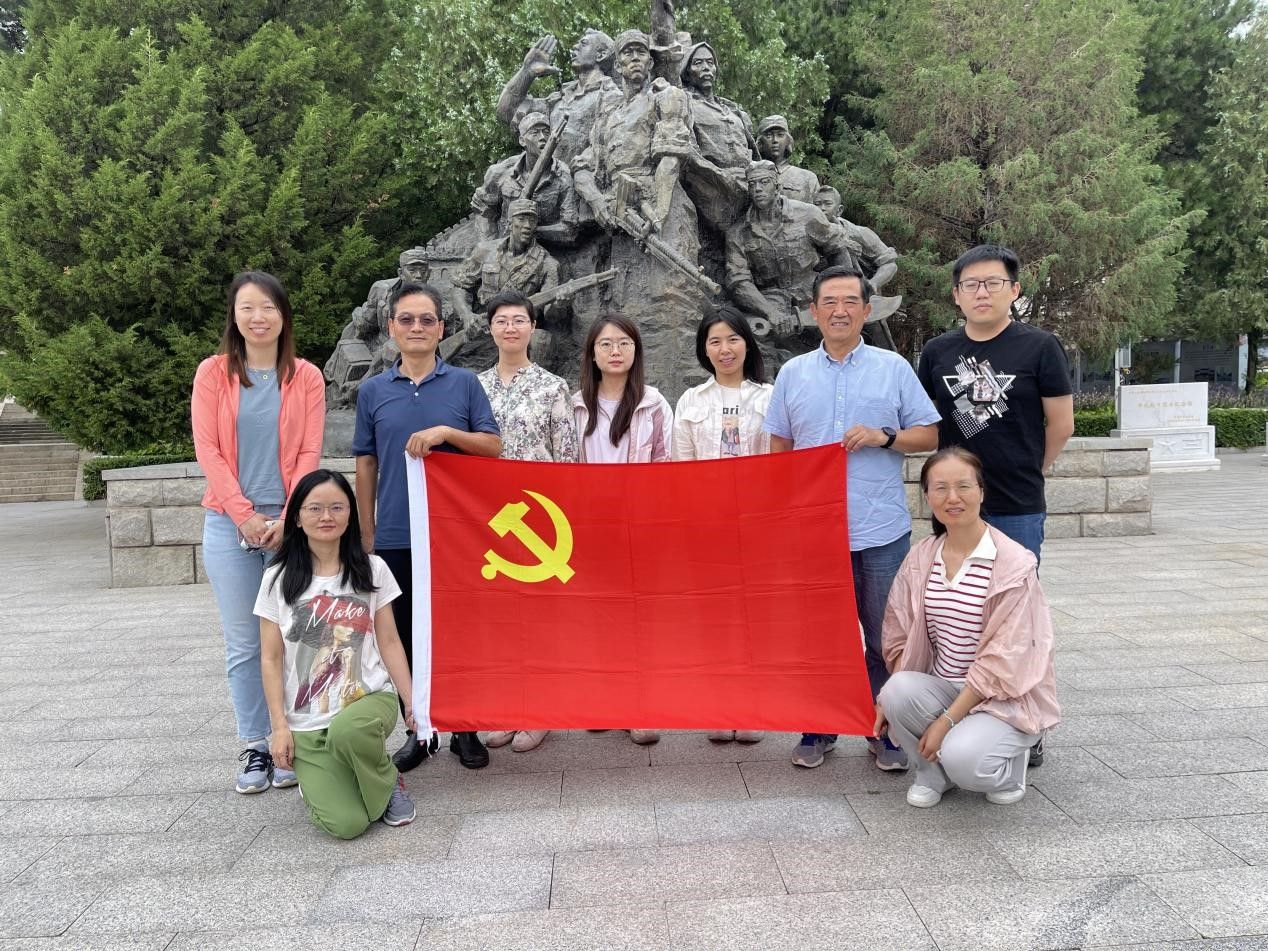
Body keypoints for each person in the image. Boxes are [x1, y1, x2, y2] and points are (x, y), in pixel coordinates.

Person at [765, 265, 940, 772]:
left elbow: (929, 435)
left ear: (866, 310)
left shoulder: (893, 368)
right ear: (814, 311)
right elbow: (780, 450)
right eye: (829, 302)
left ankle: (883, 729)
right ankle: (817, 727)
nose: (839, 311)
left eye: (850, 302)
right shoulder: (793, 373)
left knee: (885, 636)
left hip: (879, 528)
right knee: (820, 637)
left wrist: (885, 436)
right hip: (813, 533)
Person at [353, 282, 502, 771]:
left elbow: (492, 446)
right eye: (406, 319)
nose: (416, 328)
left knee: (460, 633)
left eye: (426, 320)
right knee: (403, 636)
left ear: (441, 328)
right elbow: (366, 464)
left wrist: (446, 434)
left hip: (455, 537)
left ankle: (465, 729)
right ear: (392, 328)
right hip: (396, 535)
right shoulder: (373, 391)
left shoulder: (464, 384)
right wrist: (367, 533)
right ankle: (419, 730)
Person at [192, 270, 326, 794]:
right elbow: (209, 450)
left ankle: (293, 740)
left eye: (268, 307)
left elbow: (309, 452)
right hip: (230, 527)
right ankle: (256, 745)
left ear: (283, 316)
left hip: (291, 527)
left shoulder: (306, 377)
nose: (258, 317)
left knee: (296, 638)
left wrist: (288, 517)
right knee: (245, 644)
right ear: (234, 315)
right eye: (247, 307)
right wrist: (243, 515)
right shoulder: (213, 373)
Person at [875, 447, 1060, 808]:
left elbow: (1005, 660)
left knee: (964, 761)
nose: (952, 498)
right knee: (895, 690)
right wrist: (890, 702)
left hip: (1001, 696)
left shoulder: (1013, 565)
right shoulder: (921, 556)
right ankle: (932, 775)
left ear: (982, 491)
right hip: (942, 684)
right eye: (940, 488)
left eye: (963, 486)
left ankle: (1009, 768)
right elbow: (898, 633)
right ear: (926, 496)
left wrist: (945, 722)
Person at [255, 469, 417, 837]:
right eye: (314, 508)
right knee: (347, 825)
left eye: (337, 507)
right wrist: (279, 728)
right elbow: (270, 658)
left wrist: (410, 701)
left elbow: (390, 642)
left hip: (368, 701)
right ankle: (332, 778)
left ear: (350, 515)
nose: (326, 516)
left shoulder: (373, 569)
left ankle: (387, 780)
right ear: (297, 517)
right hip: (307, 720)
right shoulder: (277, 578)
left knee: (348, 731)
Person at [917, 245, 1075, 562]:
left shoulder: (1041, 346)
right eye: (970, 284)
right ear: (956, 294)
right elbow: (927, 423)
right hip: (955, 500)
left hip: (1017, 503)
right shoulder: (936, 351)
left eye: (993, 283)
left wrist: (1030, 469)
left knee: (1013, 588)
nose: (981, 293)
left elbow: (1062, 425)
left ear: (1014, 290)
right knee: (957, 586)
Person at [477, 289, 579, 754]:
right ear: (491, 329)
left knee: (538, 618)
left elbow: (568, 458)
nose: (511, 328)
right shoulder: (473, 387)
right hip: (487, 519)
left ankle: (539, 710)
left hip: (540, 520)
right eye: (502, 320)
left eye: (519, 320)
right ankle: (505, 705)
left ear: (533, 328)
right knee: (499, 618)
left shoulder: (553, 387)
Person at [672, 308, 772, 744]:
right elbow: (681, 467)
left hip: (754, 525)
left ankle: (751, 706)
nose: (724, 349)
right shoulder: (691, 401)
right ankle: (718, 704)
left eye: (732, 339)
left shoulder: (769, 397)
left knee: (752, 616)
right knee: (712, 617)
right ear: (704, 350)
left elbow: (780, 462)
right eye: (714, 341)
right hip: (707, 527)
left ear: (747, 343)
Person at [573, 314, 672, 745]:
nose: (615, 352)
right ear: (592, 354)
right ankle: (604, 699)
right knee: (598, 617)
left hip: (639, 527)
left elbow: (666, 466)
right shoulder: (575, 406)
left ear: (636, 351)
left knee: (639, 616)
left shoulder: (653, 404)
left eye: (624, 344)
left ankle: (639, 705)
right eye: (606, 344)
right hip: (590, 528)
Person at [725, 161, 854, 337]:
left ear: (777, 186)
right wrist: (770, 312)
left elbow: (837, 249)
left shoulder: (808, 214)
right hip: (771, 301)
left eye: (764, 182)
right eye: (752, 184)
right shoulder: (738, 232)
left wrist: (845, 290)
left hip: (814, 293)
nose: (758, 189)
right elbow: (739, 283)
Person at [754, 115, 819, 203]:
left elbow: (818, 210)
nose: (775, 140)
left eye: (780, 135)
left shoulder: (808, 178)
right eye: (769, 135)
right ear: (760, 143)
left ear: (788, 140)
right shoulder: (751, 177)